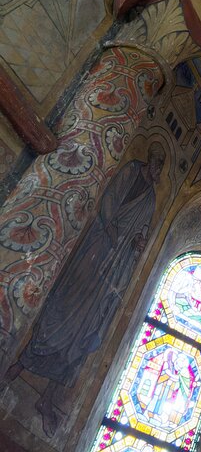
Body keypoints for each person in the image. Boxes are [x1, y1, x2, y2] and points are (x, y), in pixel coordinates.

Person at [5, 142, 165, 436]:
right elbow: (107, 205)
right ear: (150, 161)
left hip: (113, 271)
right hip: (95, 251)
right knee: (60, 311)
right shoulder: (130, 172)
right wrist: (114, 233)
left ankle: (48, 398)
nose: (159, 172)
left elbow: (141, 232)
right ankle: (16, 367)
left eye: (162, 168)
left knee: (86, 332)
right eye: (158, 165)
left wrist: (138, 243)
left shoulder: (152, 199)